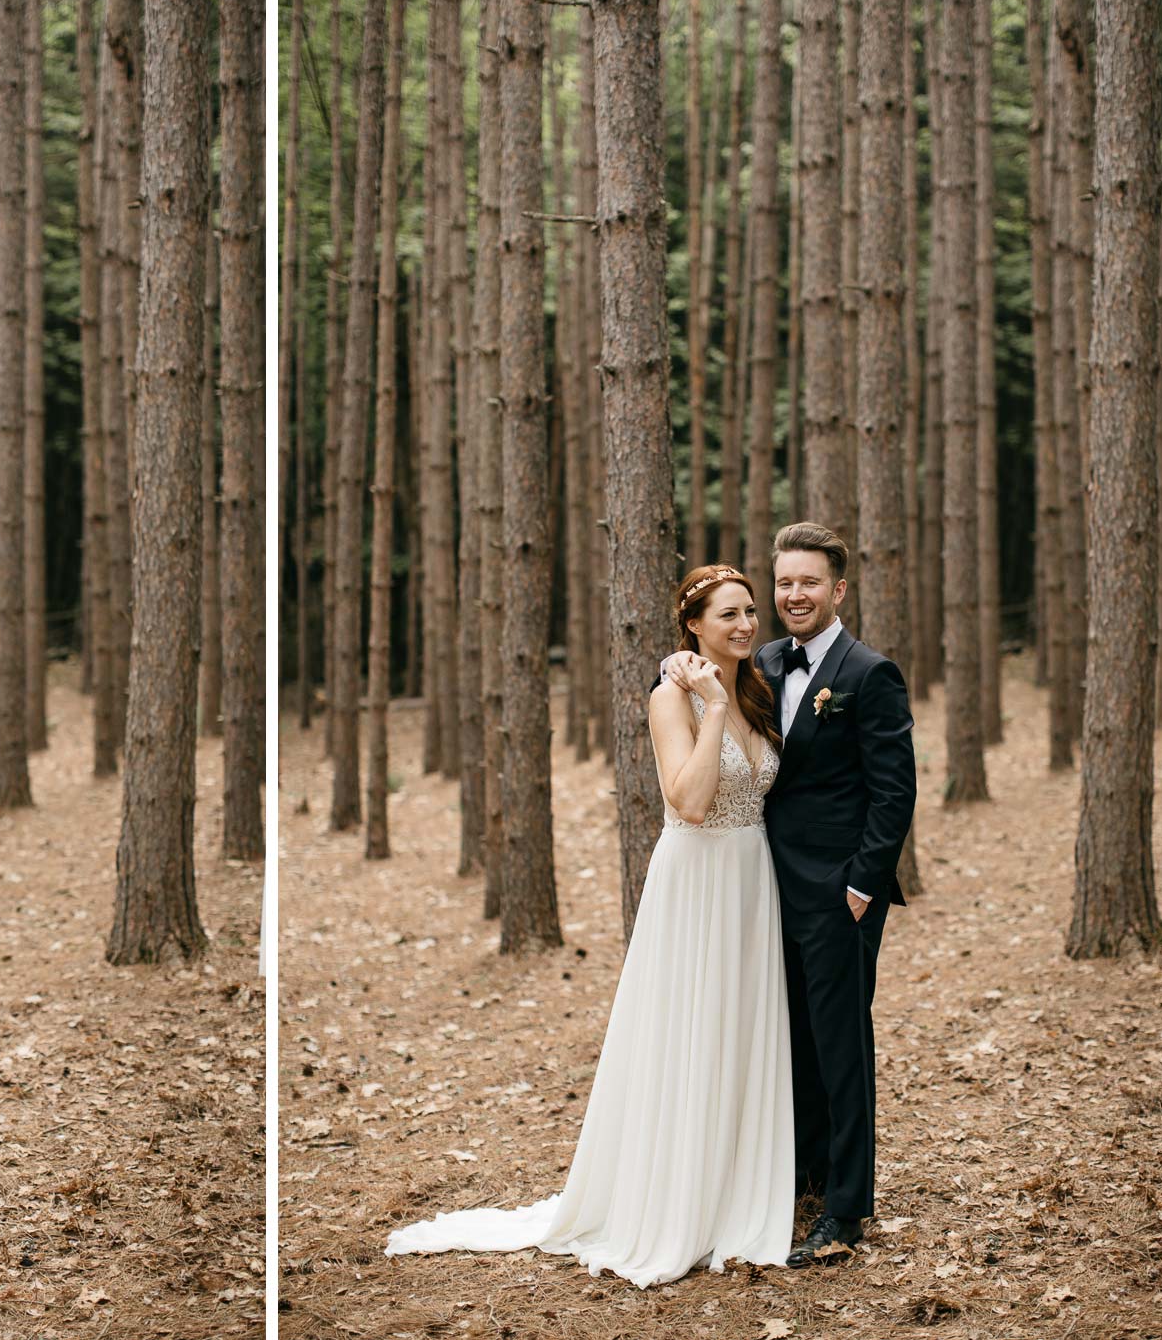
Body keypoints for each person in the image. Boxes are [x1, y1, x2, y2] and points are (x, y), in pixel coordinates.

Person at [386, 564, 794, 1287]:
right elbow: (691, 800)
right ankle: (676, 1203)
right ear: (693, 625)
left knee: (741, 1031)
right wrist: (711, 709)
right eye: (728, 614)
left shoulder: (761, 685)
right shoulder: (672, 697)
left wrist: (733, 699)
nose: (745, 624)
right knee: (691, 1032)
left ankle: (738, 1193)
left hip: (751, 882)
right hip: (696, 882)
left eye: (750, 612)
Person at [663, 522, 915, 1266]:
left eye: (809, 582)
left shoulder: (870, 673)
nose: (793, 594)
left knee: (841, 1046)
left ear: (838, 589)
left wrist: (863, 886)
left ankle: (845, 1207)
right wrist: (683, 660)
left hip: (840, 897)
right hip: (762, 889)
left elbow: (894, 793)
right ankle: (801, 1174)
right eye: (784, 583)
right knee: (789, 1041)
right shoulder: (763, 660)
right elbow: (710, 684)